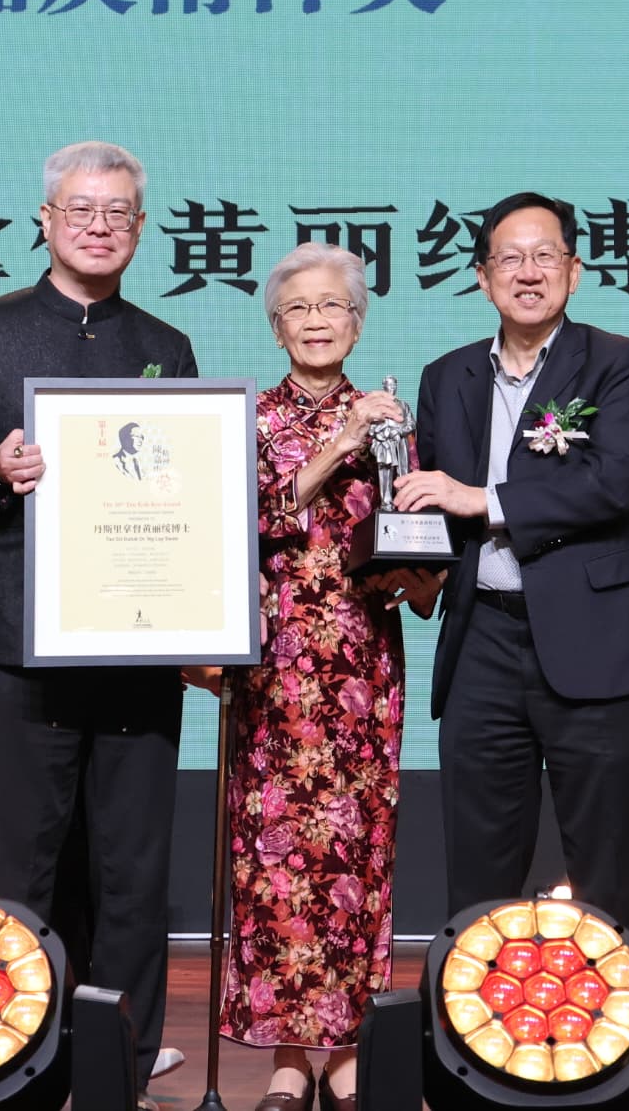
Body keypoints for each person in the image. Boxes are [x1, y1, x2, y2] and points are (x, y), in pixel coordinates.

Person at [0, 140, 198, 1091]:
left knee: (133, 874)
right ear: (45, 221)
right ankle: (8, 1054)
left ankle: (129, 1059)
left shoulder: (166, 347)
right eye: (81, 210)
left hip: (139, 645)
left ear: (141, 229)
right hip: (20, 644)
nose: (100, 226)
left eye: (118, 213)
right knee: (15, 870)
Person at [394, 194, 629, 945]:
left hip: (596, 643)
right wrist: (408, 566)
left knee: (609, 868)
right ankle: (474, 1051)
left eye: (545, 256)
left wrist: (478, 498)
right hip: (481, 638)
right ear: (482, 278)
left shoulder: (618, 362)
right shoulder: (445, 375)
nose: (528, 273)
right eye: (509, 259)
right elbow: (423, 498)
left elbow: (614, 483)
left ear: (574, 273)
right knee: (479, 872)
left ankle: (620, 1054)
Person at [218, 244, 439, 1111]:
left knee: (355, 856)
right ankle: (285, 1060)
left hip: (361, 667)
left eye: (333, 308)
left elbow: (410, 535)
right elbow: (251, 520)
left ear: (359, 321)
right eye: (298, 309)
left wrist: (425, 564)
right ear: (277, 328)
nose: (316, 322)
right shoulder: (249, 418)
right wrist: (337, 444)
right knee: (272, 867)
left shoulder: (391, 417)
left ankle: (344, 1051)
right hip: (272, 668)